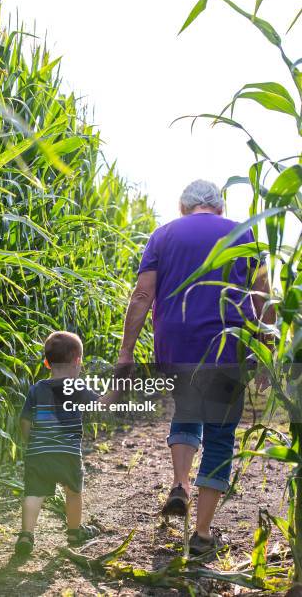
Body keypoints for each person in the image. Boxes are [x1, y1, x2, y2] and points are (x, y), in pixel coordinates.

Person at [117, 179, 275, 555]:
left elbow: (142, 295)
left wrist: (125, 352)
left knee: (187, 413)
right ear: (219, 207)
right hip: (228, 346)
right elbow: (263, 298)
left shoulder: (163, 235)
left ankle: (180, 486)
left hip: (176, 344)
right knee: (220, 434)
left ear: (182, 206)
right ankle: (202, 534)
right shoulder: (244, 234)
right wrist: (267, 351)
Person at [15, 331, 120, 557]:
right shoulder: (78, 387)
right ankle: (74, 532)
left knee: (33, 493)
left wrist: (30, 443)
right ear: (77, 360)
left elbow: (24, 420)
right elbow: (102, 405)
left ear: (46, 362)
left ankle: (26, 535)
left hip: (38, 452)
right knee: (73, 492)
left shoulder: (37, 389)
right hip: (68, 453)